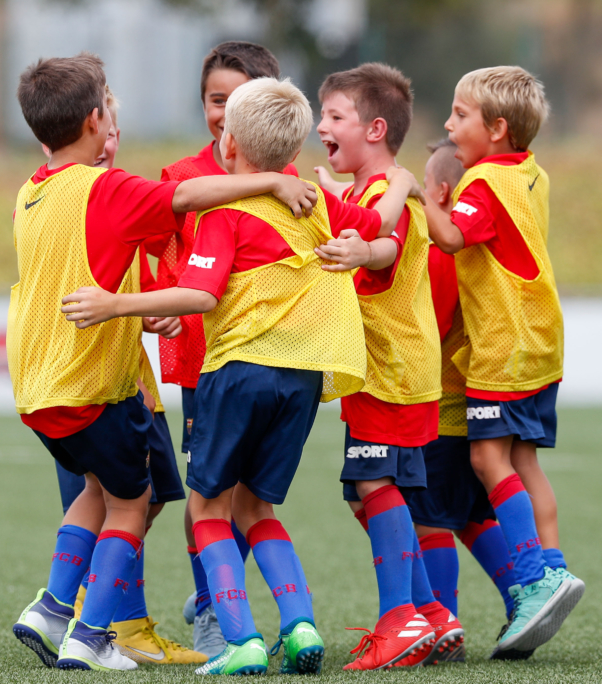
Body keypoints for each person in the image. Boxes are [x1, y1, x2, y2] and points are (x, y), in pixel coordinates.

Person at [60, 76, 424, 676]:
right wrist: (404, 182)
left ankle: (240, 639)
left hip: (242, 372)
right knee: (257, 508)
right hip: (305, 380)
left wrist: (115, 303)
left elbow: (201, 295)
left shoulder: (225, 212)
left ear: (229, 145)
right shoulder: (315, 201)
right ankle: (302, 627)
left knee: (208, 510)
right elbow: (379, 226)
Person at [8, 53, 318, 671]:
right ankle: (91, 633)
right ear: (98, 120)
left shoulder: (31, 193)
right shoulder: (108, 187)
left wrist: (134, 309)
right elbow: (190, 194)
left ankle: (49, 607)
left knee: (96, 490)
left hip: (37, 386)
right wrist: (273, 180)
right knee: (133, 500)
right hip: (92, 382)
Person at [418, 65, 585, 659]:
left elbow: (453, 239)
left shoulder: (484, 181)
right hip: (540, 341)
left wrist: (415, 195)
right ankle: (553, 568)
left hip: (503, 348)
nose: (447, 123)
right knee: (523, 462)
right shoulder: (530, 172)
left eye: (459, 115)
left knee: (487, 455)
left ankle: (537, 579)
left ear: (496, 128)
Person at [46, 86, 203, 665]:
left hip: (129, 381)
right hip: (92, 386)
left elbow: (155, 265)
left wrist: (156, 307)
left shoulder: (118, 194)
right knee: (118, 499)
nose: (110, 139)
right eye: (103, 126)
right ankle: (89, 623)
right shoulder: (72, 197)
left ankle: (81, 614)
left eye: (117, 128)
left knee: (143, 497)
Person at [314, 63, 463, 670]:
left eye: (334, 116)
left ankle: (400, 620)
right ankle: (431, 615)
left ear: (375, 128)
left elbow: (386, 244)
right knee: (364, 493)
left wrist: (361, 249)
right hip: (381, 370)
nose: (321, 125)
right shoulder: (365, 190)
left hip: (393, 370)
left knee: (376, 486)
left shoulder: (387, 192)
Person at [155, 41, 296, 658]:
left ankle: (218, 595)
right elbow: (161, 254)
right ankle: (214, 605)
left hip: (268, 359)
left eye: (237, 101)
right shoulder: (181, 179)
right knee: (207, 491)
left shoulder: (291, 182)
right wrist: (159, 304)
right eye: (216, 100)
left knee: (242, 494)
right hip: (203, 359)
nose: (223, 114)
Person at [405, 138, 521, 661]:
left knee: (429, 518)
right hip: (465, 405)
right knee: (472, 515)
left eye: (421, 190)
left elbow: (431, 320)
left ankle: (442, 624)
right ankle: (521, 597)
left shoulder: (441, 255)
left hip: (440, 409)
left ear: (440, 192)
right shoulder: (469, 251)